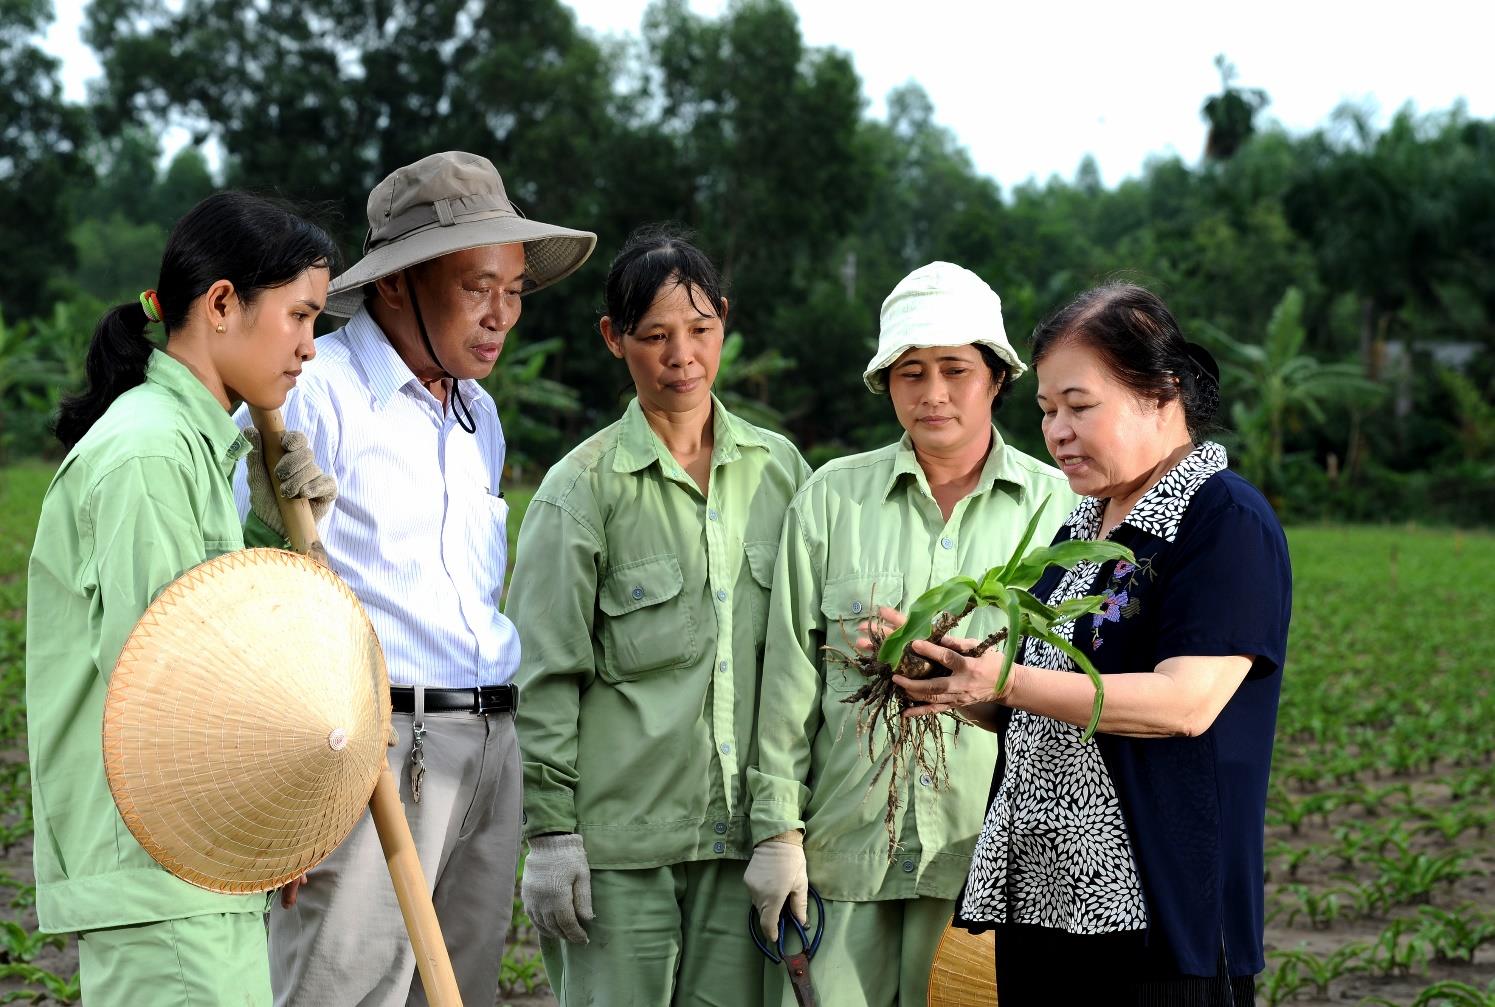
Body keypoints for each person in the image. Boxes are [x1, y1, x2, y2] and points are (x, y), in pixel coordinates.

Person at [231, 151, 596, 1007]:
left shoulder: (479, 413)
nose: (501, 314)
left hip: (488, 747)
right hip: (375, 753)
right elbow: (241, 586)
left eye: (512, 289)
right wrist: (285, 794)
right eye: (477, 287)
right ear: (396, 285)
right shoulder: (309, 392)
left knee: (455, 991)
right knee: (344, 991)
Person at [889, 282, 1292, 1004]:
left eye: (1079, 405)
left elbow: (1183, 703)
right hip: (1044, 908)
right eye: (1046, 411)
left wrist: (1006, 683)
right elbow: (1039, 700)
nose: (1056, 430)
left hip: (1158, 923)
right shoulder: (1080, 528)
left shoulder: (1222, 519)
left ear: (1161, 393)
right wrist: (955, 679)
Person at [26, 192, 337, 1006]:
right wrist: (271, 818)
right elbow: (173, 686)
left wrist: (275, 532)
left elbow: (225, 637)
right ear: (223, 303)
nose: (308, 349)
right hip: (162, 870)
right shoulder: (150, 451)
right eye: (299, 316)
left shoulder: (195, 445)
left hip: (195, 863)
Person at [745, 262, 1077, 1006]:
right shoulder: (832, 497)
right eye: (909, 372)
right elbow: (789, 686)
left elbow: (1073, 696)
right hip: (843, 856)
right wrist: (777, 834)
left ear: (995, 376)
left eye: (954, 369)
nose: (931, 394)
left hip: (988, 869)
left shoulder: (1059, 507)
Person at [507, 226, 811, 1005]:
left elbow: (807, 656)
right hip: (617, 847)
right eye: (654, 336)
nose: (682, 355)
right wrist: (549, 833)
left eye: (700, 330)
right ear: (614, 339)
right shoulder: (580, 490)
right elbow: (543, 672)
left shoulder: (782, 473)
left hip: (741, 841)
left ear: (724, 324)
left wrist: (786, 827)